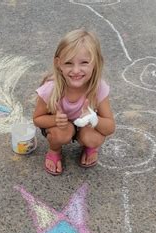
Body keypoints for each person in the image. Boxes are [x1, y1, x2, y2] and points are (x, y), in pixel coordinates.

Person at [32, 29, 115, 175]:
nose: (76, 70)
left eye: (84, 62)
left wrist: (93, 119)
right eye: (69, 63)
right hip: (60, 127)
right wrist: (55, 120)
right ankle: (54, 149)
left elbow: (110, 127)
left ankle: (89, 146)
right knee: (62, 133)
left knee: (93, 138)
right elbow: (37, 119)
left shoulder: (98, 88)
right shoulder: (51, 88)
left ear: (96, 62)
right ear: (58, 64)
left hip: (85, 127)